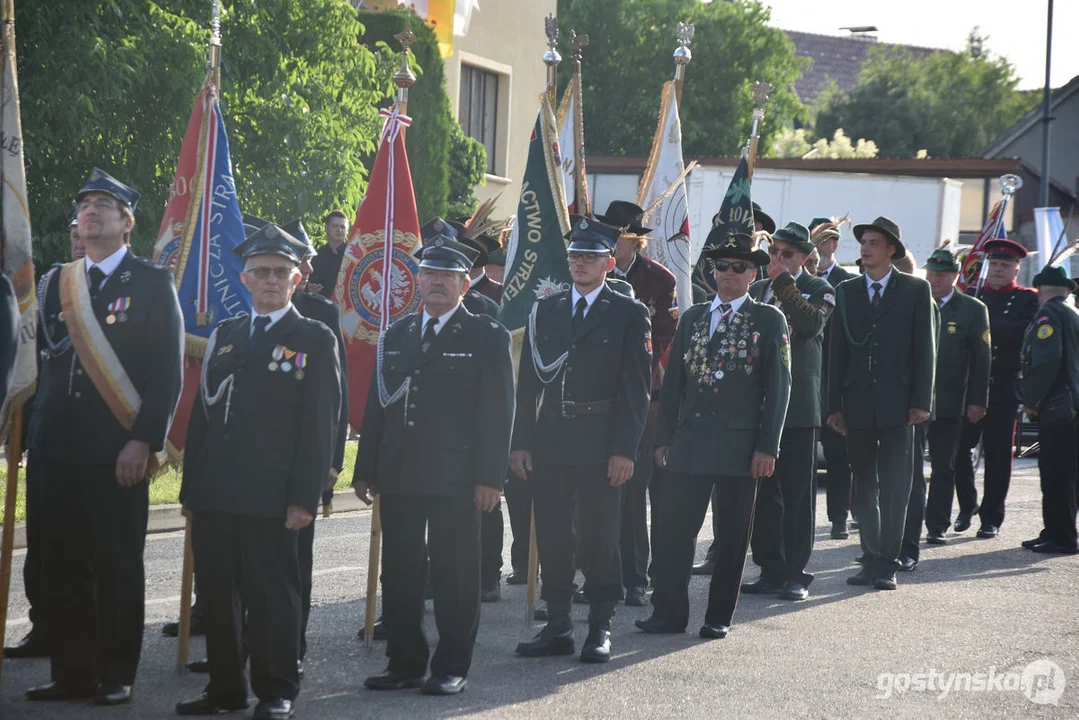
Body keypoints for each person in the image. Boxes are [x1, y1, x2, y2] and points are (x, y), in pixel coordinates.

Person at [27, 169, 184, 706]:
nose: (90, 211)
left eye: (104, 205)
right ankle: (70, 672)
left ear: (127, 222)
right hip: (56, 452)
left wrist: (144, 440)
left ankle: (116, 672)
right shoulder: (57, 283)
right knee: (61, 563)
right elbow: (45, 367)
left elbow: (167, 373)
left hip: (116, 451)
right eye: (85, 204)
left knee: (117, 564)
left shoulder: (149, 282)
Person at [176, 222, 341, 719]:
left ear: (296, 279)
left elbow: (320, 425)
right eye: (260, 271)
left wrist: (304, 497)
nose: (269, 279)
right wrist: (191, 491)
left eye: (279, 272)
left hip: (274, 495)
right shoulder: (226, 336)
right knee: (219, 596)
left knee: (274, 597)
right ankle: (225, 688)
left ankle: (275, 689)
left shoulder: (312, 336)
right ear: (244, 279)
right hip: (217, 493)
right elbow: (201, 418)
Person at [354, 218, 514, 696]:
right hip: (400, 474)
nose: (437, 282)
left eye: (448, 276)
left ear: (466, 284)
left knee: (456, 575)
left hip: (458, 477)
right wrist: (366, 469)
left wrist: (490, 478)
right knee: (400, 574)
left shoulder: (486, 335)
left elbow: (498, 413)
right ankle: (404, 662)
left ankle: (450, 666)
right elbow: (377, 406)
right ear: (417, 279)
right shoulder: (396, 334)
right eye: (429, 273)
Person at [639, 225, 790, 639]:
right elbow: (673, 387)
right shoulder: (692, 317)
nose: (728, 273)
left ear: (752, 274)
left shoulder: (768, 318)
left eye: (739, 267)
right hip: (689, 443)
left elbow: (779, 389)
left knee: (731, 538)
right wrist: (664, 438)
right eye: (722, 266)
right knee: (673, 531)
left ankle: (718, 615)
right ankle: (668, 612)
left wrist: (767, 447)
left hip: (740, 448)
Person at [512, 216, 651, 663]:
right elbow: (529, 384)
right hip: (552, 437)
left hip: (601, 441)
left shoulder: (629, 313)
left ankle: (600, 626)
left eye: (590, 257)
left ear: (609, 263)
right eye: (575, 256)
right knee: (553, 536)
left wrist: (624, 451)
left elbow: (637, 389)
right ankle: (557, 624)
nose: (580, 263)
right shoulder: (546, 310)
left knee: (599, 537)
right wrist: (521, 442)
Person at [827, 216, 936, 591]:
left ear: (891, 250)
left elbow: (926, 351)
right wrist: (833, 406)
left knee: (894, 486)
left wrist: (922, 401)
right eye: (863, 242)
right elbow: (835, 353)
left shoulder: (914, 291)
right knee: (865, 487)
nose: (865, 248)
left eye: (874, 242)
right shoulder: (847, 291)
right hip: (857, 403)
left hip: (900, 405)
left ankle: (887, 561)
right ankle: (870, 556)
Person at [5, 216, 87, 661]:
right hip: (47, 437)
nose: (79, 239)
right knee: (43, 541)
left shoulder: (122, 289)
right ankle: (44, 626)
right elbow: (32, 364)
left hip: (94, 443)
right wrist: (18, 432)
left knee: (87, 547)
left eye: (85, 231)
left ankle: (86, 638)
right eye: (73, 233)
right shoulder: (50, 287)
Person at [743, 222, 833, 601]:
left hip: (797, 408)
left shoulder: (820, 288)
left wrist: (785, 284)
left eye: (787, 255)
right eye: (774, 253)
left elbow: (811, 324)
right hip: (760, 405)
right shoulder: (760, 289)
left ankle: (796, 572)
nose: (777, 261)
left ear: (806, 258)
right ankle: (770, 567)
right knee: (764, 494)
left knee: (797, 495)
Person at [602, 200, 677, 606]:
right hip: (595, 397)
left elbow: (666, 340)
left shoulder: (659, 280)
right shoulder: (593, 272)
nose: (608, 243)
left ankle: (634, 577)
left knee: (632, 494)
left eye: (616, 236)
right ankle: (598, 573)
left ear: (633, 240)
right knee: (592, 494)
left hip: (641, 398)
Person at [282, 218, 350, 666]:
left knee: (292, 562)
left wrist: (333, 460)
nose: (305, 267)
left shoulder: (322, 316)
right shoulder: (235, 320)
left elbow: (336, 399)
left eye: (302, 260)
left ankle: (290, 643)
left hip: (300, 462)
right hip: (248, 467)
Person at [953, 238, 1038, 538]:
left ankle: (992, 517)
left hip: (1002, 387)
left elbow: (1025, 332)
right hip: (969, 387)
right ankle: (967, 505)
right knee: (959, 451)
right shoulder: (973, 296)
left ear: (1017, 268)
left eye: (1005, 265)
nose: (999, 269)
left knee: (999, 456)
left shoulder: (1028, 298)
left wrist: (982, 326)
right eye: (995, 264)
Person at [921, 247, 990, 546]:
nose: (934, 279)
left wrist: (977, 401)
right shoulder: (917, 304)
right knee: (909, 467)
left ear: (955, 275)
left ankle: (937, 524)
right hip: (914, 401)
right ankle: (908, 522)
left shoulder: (972, 309)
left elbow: (981, 360)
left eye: (941, 274)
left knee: (943, 465)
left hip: (950, 403)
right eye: (931, 273)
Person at [1019, 264, 1079, 554]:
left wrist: (1032, 400)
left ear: (1040, 290)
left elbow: (1046, 361)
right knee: (1064, 473)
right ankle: (1054, 530)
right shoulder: (1072, 313)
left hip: (1057, 407)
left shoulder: (1048, 314)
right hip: (1070, 406)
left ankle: (1063, 536)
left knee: (1056, 473)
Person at [809, 216, 860, 539]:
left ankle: (839, 516)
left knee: (839, 456)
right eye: (815, 241)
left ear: (835, 245)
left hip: (831, 381)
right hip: (803, 382)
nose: (820, 247)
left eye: (826, 240)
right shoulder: (795, 280)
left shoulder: (845, 282)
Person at [307, 209, 349, 298]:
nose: (339, 230)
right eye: (335, 226)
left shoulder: (354, 255)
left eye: (343, 227)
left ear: (347, 231)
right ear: (326, 228)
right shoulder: (315, 257)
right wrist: (309, 290)